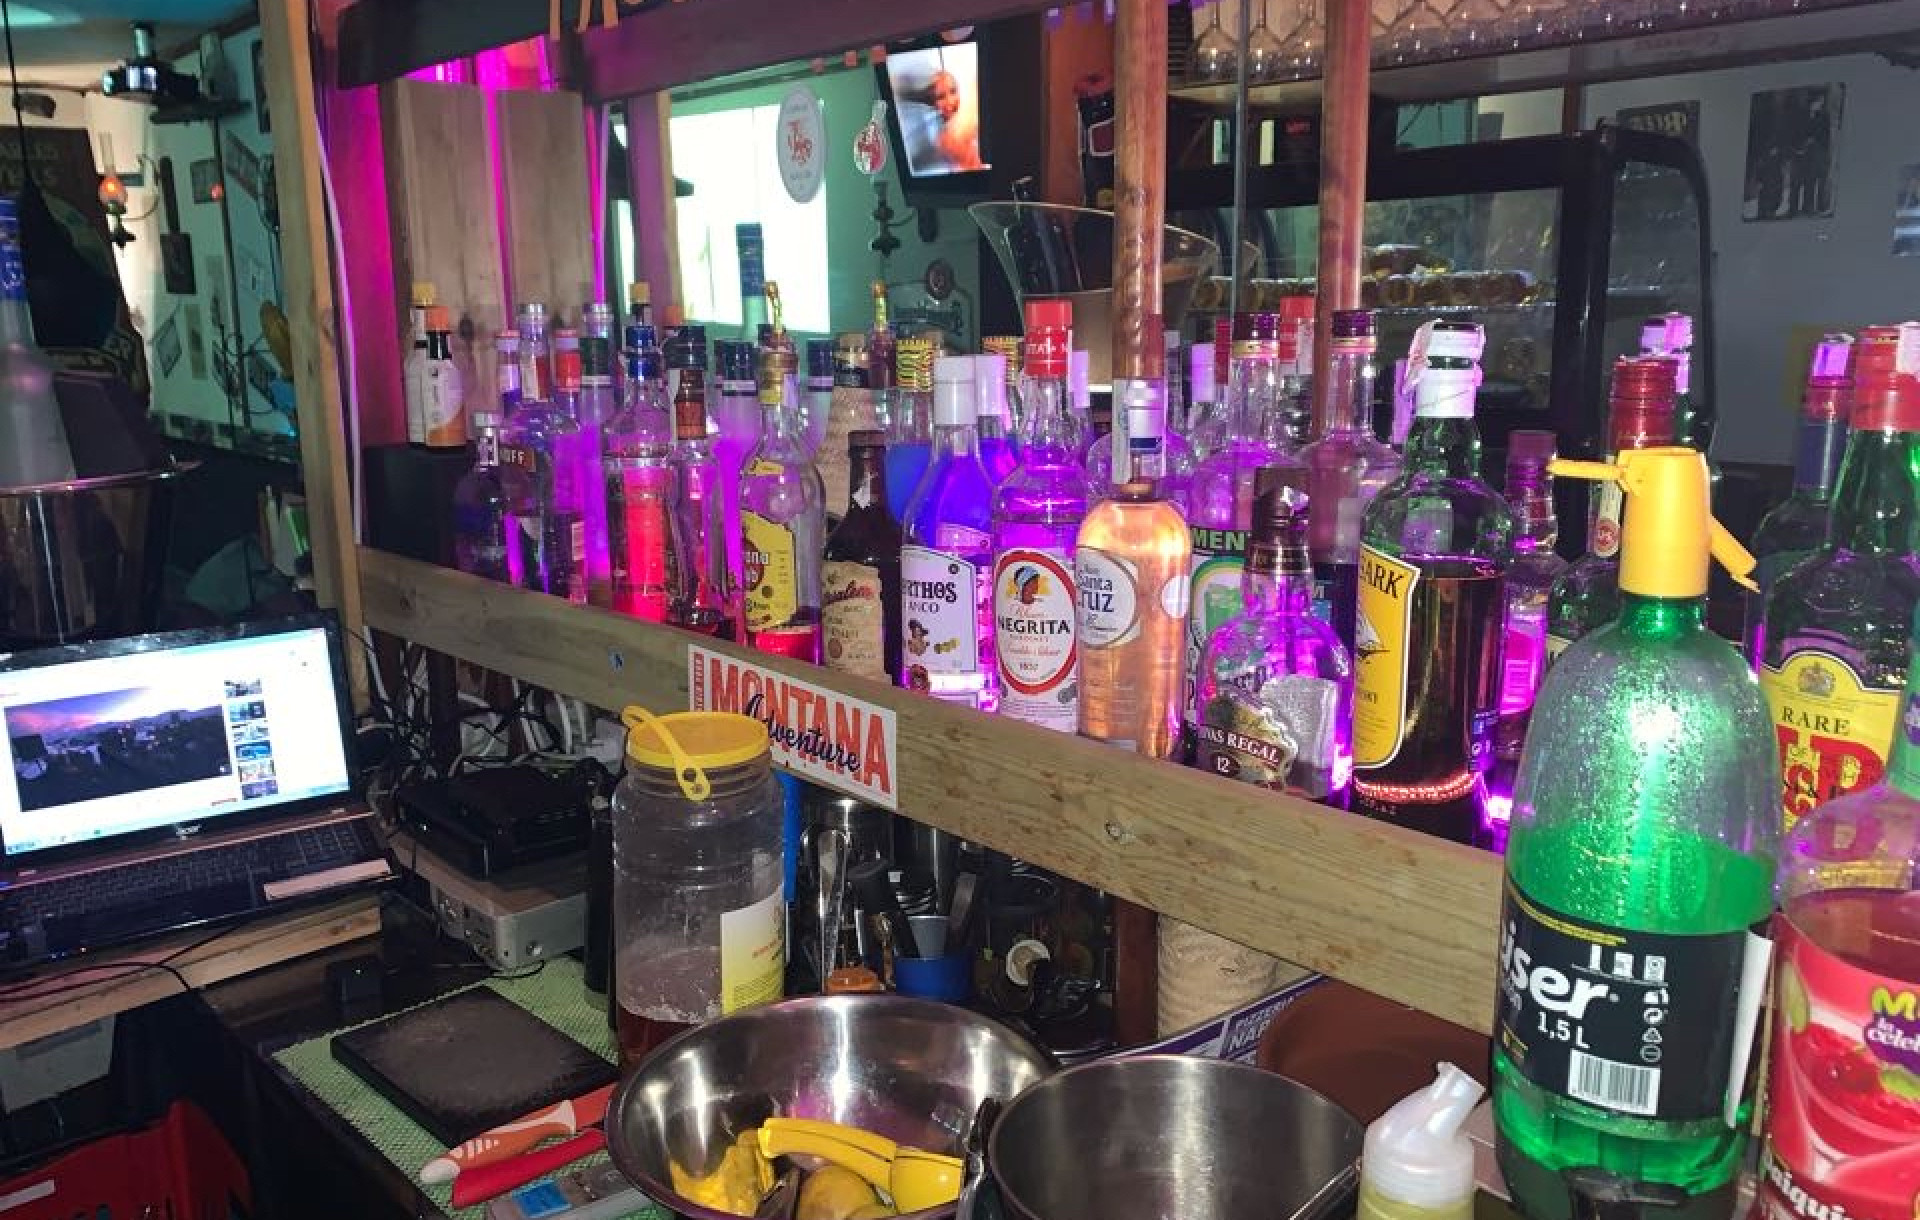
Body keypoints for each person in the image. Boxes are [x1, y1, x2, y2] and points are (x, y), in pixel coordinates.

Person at [928, 69, 983, 172]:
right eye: (941, 96)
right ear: (933, 103)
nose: (950, 101)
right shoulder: (942, 140)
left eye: (953, 91)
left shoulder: (972, 124)